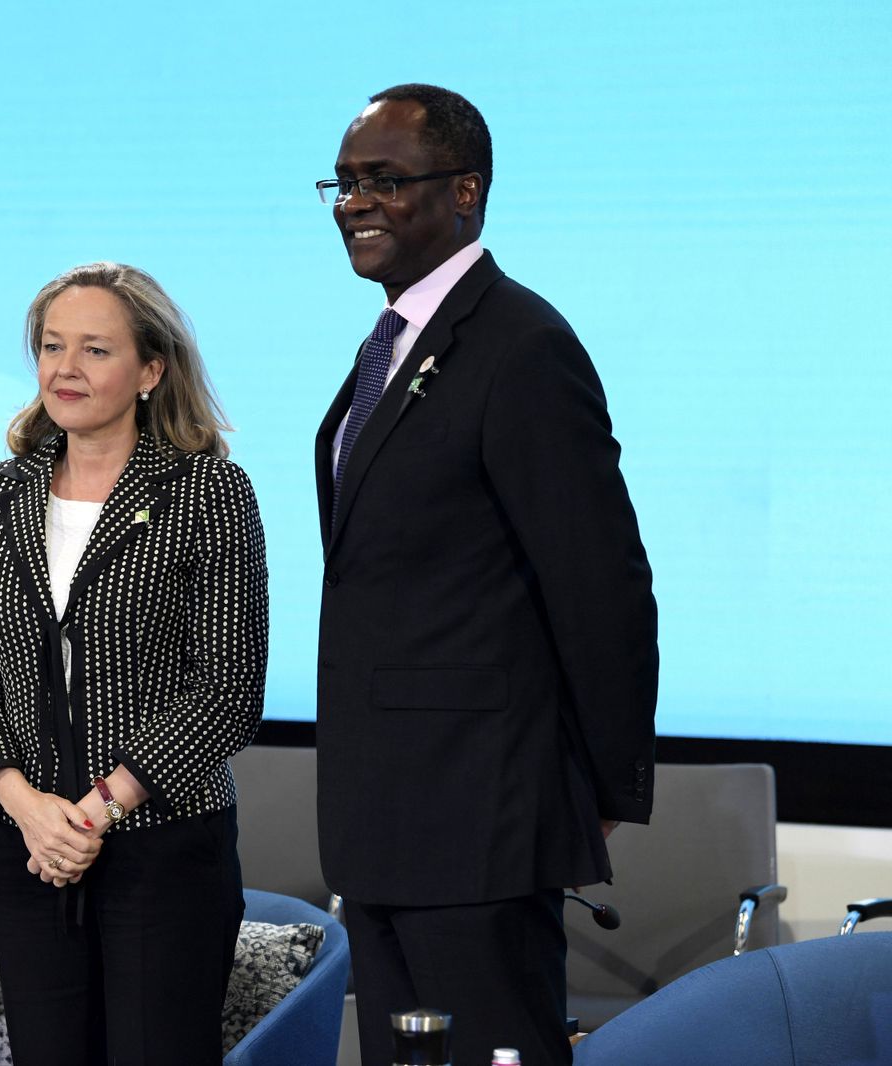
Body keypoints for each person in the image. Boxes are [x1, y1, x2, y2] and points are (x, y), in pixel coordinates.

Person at [312, 85, 658, 1066]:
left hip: (480, 817)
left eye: (384, 180)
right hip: (386, 816)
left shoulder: (520, 344)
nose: (355, 203)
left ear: (465, 191)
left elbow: (602, 583)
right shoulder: (389, 346)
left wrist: (598, 780)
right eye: (342, 183)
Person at [0, 262, 268, 1065]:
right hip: (33, 851)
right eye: (51, 347)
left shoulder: (209, 492)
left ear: (152, 369)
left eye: (94, 350)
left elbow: (228, 690)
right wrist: (29, 809)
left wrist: (95, 812)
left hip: (163, 851)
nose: (65, 369)